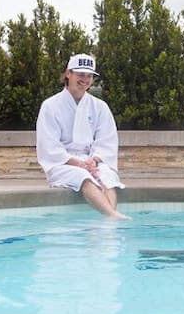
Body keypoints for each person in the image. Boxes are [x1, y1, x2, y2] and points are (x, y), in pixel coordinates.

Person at [36, 53, 128, 219]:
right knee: (83, 177)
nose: (85, 80)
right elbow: (49, 145)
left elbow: (106, 140)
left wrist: (94, 160)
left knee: (107, 176)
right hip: (62, 164)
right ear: (68, 74)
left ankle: (109, 220)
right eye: (80, 74)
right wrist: (78, 163)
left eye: (89, 76)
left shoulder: (100, 107)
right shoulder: (50, 106)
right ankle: (112, 216)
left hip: (91, 161)